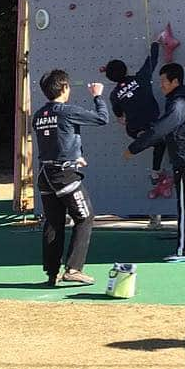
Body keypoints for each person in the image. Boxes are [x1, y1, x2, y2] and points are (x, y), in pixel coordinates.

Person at [31, 69, 110, 286]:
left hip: (45, 174)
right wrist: (97, 96)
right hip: (63, 175)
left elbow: (55, 140)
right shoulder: (66, 111)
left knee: (53, 223)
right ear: (64, 88)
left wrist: (76, 156)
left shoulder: (39, 115)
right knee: (85, 217)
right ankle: (74, 269)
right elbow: (103, 119)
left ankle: (51, 273)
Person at [125, 62, 185, 262]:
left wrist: (134, 148)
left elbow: (161, 129)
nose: (161, 85)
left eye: (164, 81)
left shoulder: (179, 104)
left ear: (175, 81)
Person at [106, 42, 166, 183]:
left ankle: (141, 135)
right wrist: (155, 44)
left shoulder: (114, 95)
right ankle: (155, 172)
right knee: (160, 142)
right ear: (126, 69)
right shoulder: (141, 78)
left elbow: (120, 117)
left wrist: (124, 116)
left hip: (133, 128)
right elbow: (152, 60)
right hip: (151, 122)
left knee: (154, 140)